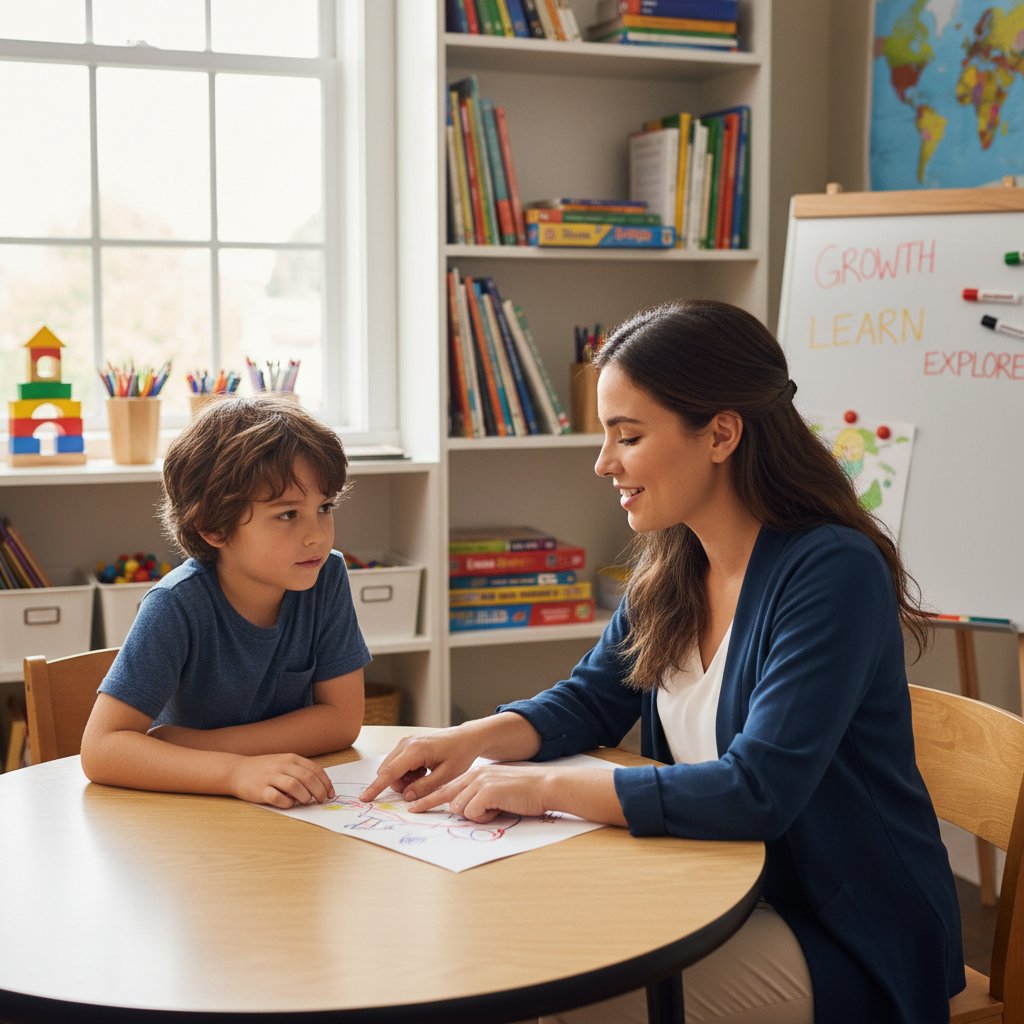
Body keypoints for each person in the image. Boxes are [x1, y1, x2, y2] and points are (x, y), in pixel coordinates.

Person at [361, 300, 965, 1023]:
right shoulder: (679, 557)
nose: (603, 462)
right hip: (712, 888)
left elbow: (758, 791)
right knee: (488, 954)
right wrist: (464, 743)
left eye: (628, 436)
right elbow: (590, 700)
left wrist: (542, 787)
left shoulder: (831, 572)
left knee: (546, 1005)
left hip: (844, 932)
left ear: (721, 434)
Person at [81, 396, 370, 809]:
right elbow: (102, 748)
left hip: (283, 803)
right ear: (213, 528)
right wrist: (234, 771)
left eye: (325, 507)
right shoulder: (175, 605)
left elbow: (342, 720)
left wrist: (207, 746)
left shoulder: (325, 576)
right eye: (288, 514)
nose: (318, 536)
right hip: (192, 812)